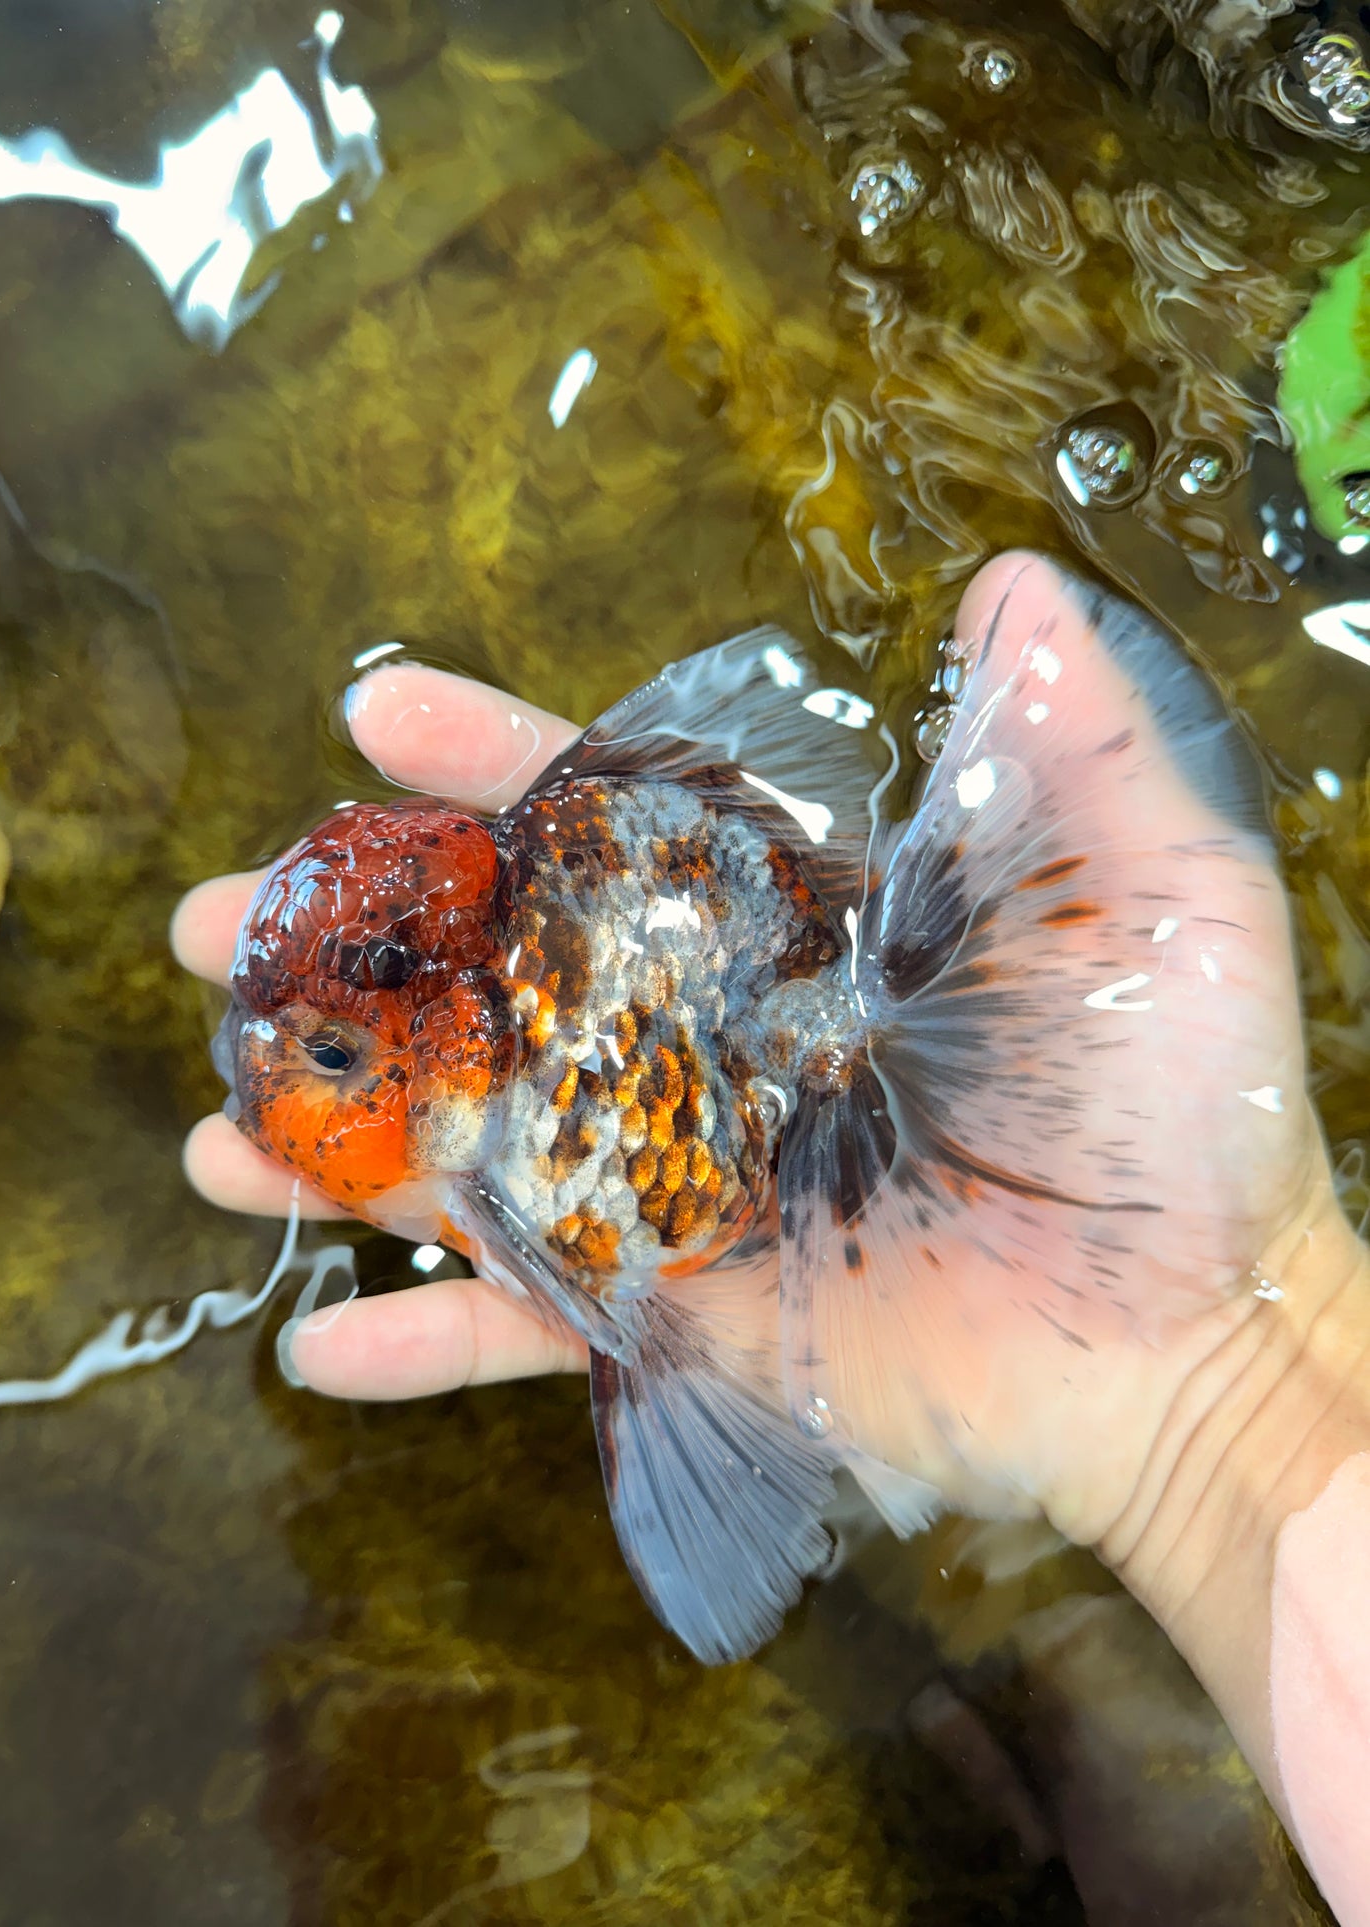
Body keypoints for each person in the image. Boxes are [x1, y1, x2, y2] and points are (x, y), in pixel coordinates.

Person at [172, 639, 1370, 1927]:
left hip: (785, 1076)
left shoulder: (505, 1173)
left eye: (331, 1054)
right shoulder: (488, 1113)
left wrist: (1227, 1375)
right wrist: (1243, 1382)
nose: (269, 1079)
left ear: (464, 1057)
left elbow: (632, 1314)